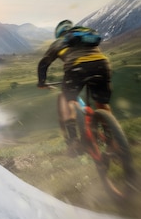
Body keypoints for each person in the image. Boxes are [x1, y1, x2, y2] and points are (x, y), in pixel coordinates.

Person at [37, 19, 112, 157]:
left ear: (59, 33)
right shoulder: (85, 34)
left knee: (67, 99)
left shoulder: (59, 42)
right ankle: (112, 138)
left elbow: (43, 63)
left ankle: (73, 141)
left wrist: (41, 82)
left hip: (77, 68)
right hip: (102, 65)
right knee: (101, 103)